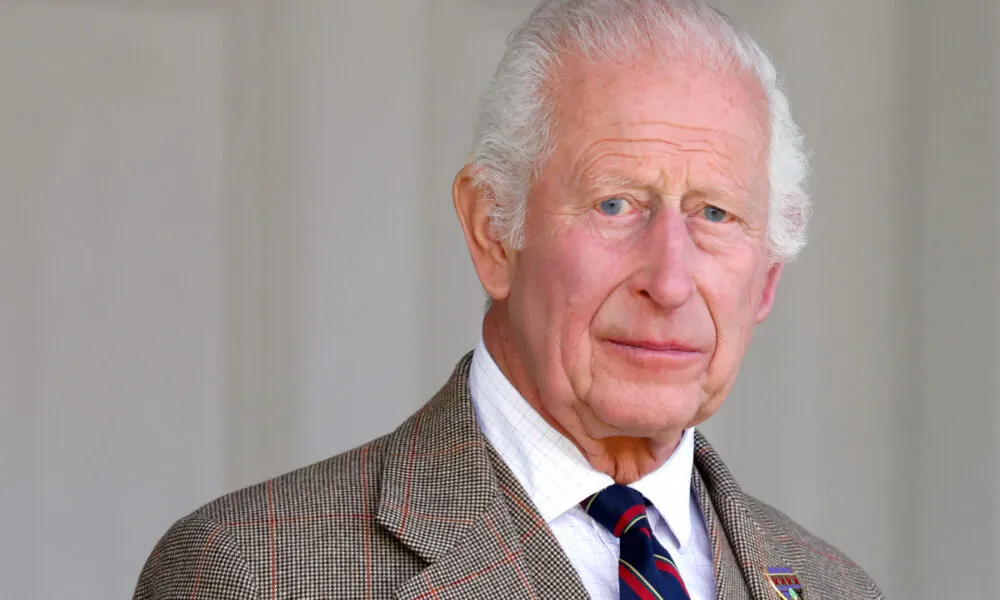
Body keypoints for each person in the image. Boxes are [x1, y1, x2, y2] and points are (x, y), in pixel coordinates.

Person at [134, 1, 883, 598]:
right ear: (493, 231)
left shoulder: (839, 589)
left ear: (767, 278)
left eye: (715, 214)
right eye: (615, 204)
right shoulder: (249, 572)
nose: (670, 280)